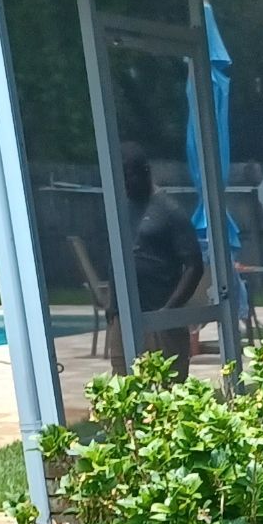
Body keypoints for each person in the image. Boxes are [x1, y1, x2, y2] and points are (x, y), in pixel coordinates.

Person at [105, 145, 207, 375]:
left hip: (160, 319)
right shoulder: (121, 209)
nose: (124, 183)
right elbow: (116, 258)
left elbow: (194, 265)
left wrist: (168, 311)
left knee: (166, 390)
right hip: (125, 318)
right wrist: (112, 306)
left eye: (128, 175)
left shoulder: (170, 211)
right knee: (123, 388)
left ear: (145, 171)